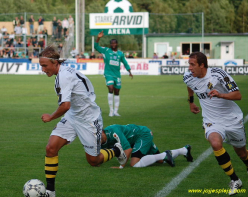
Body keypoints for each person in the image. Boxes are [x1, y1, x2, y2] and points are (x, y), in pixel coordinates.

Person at [39, 46, 127, 197]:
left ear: (55, 63)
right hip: (73, 116)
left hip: (88, 119)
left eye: (45, 65)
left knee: (94, 161)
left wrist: (50, 117)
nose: (42, 69)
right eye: (41, 65)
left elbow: (65, 106)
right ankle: (50, 192)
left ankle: (117, 150)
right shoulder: (63, 71)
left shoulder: (64, 77)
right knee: (51, 148)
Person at [183, 52, 248, 196]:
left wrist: (221, 95)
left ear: (202, 65)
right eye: (188, 64)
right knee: (215, 143)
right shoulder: (188, 77)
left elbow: (238, 95)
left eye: (192, 64)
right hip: (211, 120)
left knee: (242, 153)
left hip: (232, 119)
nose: (189, 68)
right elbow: (189, 85)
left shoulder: (219, 75)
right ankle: (235, 180)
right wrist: (191, 102)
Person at [101, 124, 193, 168]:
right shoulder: (100, 141)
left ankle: (166, 155)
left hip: (142, 135)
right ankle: (184, 150)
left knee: (134, 164)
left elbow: (128, 149)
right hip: (137, 138)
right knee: (160, 161)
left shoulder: (114, 131)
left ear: (102, 131)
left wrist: (121, 166)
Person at [94, 31, 133, 117]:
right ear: (110, 44)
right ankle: (111, 111)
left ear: (117, 44)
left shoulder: (120, 54)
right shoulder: (106, 51)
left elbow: (125, 62)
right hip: (108, 74)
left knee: (117, 92)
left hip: (117, 75)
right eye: (112, 43)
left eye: (114, 43)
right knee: (110, 88)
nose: (113, 45)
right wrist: (98, 38)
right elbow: (96, 46)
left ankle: (116, 111)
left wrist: (129, 71)